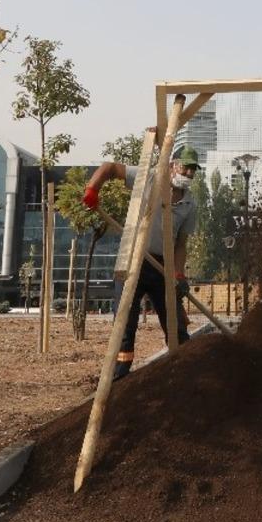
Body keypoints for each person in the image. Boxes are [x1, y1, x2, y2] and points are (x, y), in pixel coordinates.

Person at [83, 143, 200, 379]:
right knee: (125, 323)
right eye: (185, 168)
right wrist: (92, 189)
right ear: (172, 165)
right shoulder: (148, 177)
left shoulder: (190, 204)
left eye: (193, 170)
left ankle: (185, 374)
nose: (189, 174)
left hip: (161, 266)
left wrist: (178, 274)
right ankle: (119, 376)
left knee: (175, 322)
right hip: (132, 259)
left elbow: (180, 245)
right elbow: (109, 168)